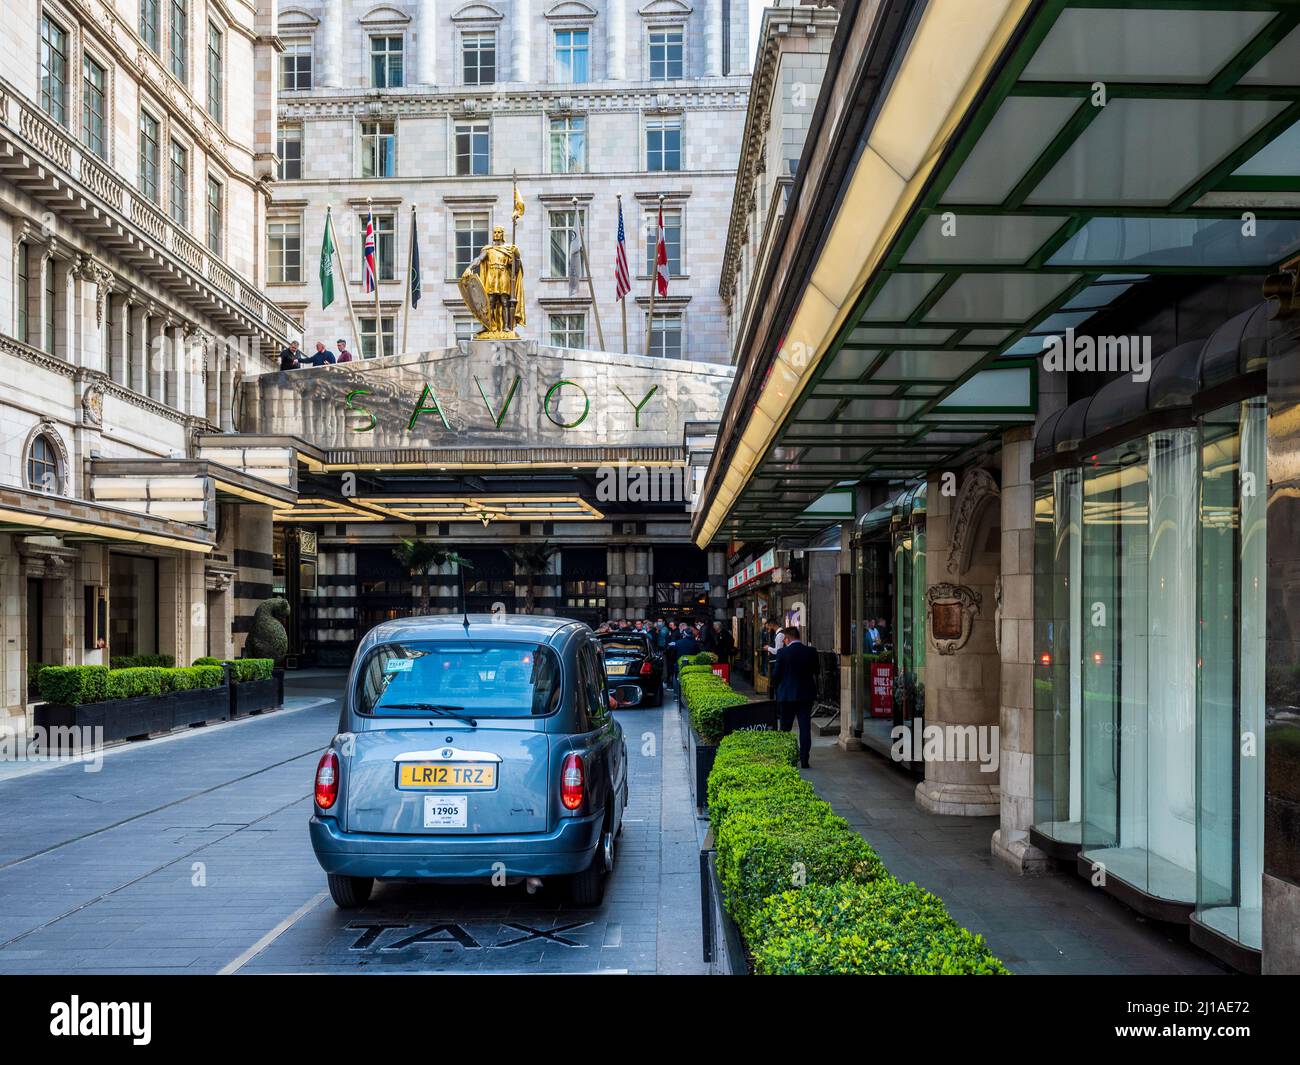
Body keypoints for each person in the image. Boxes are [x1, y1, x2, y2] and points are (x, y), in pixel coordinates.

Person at [771, 625, 819, 768]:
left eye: (785, 639)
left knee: (785, 727)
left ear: (787, 638)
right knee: (805, 728)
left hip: (787, 695)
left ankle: (785, 758)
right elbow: (817, 671)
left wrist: (778, 687)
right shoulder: (811, 652)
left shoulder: (783, 653)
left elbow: (776, 676)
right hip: (806, 695)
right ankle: (804, 759)